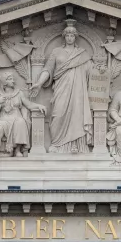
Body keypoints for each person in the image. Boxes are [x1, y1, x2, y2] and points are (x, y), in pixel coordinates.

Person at [29, 21, 96, 153]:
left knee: (78, 114)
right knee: (58, 114)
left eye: (72, 35)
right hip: (61, 88)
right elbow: (48, 69)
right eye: (67, 35)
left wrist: (101, 71)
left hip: (78, 90)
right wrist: (39, 83)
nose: (70, 38)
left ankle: (77, 145)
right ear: (64, 37)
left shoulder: (82, 53)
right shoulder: (56, 52)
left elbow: (91, 71)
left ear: (75, 37)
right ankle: (57, 144)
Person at [0, 71, 46, 166]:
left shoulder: (19, 93)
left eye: (12, 78)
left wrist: (39, 106)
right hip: (3, 119)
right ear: (4, 82)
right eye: (10, 79)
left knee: (21, 122)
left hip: (16, 117)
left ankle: (17, 150)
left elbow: (29, 105)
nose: (13, 80)